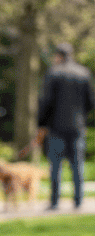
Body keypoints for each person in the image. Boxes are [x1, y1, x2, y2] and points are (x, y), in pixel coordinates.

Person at [37, 42, 94, 211]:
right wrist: (81, 116)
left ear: (58, 56)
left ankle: (54, 201)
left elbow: (45, 102)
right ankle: (78, 201)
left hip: (56, 127)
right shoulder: (83, 73)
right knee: (78, 165)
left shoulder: (53, 73)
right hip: (77, 126)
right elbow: (91, 102)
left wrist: (42, 124)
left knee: (56, 166)